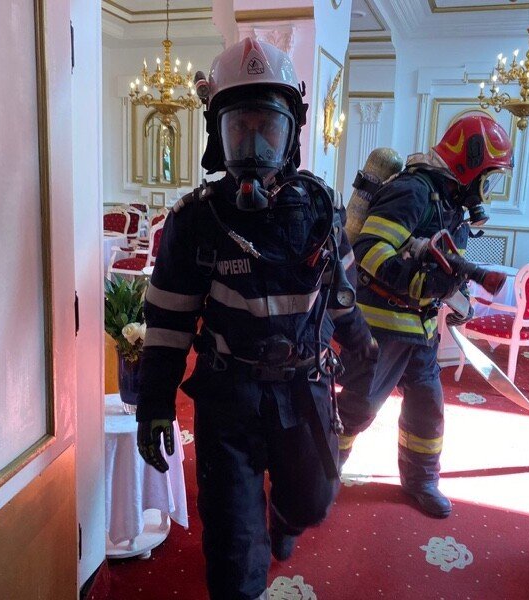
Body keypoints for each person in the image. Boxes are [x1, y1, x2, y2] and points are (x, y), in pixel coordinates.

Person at [134, 38, 377, 600]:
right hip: (229, 398)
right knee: (233, 550)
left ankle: (285, 518)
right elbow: (167, 324)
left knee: (312, 502)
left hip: (305, 389)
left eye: (267, 126)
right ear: (216, 134)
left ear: (292, 132)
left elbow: (341, 300)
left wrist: (364, 353)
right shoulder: (196, 221)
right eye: (238, 127)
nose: (253, 142)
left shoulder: (320, 211)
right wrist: (154, 403)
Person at [337, 113, 514, 518]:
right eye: (488, 177)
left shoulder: (452, 207)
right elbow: (368, 251)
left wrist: (454, 293)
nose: (487, 189)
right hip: (380, 329)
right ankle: (320, 473)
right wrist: (418, 282)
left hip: (421, 330)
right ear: (470, 163)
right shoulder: (413, 192)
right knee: (358, 408)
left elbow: (449, 268)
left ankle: (421, 480)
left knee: (427, 409)